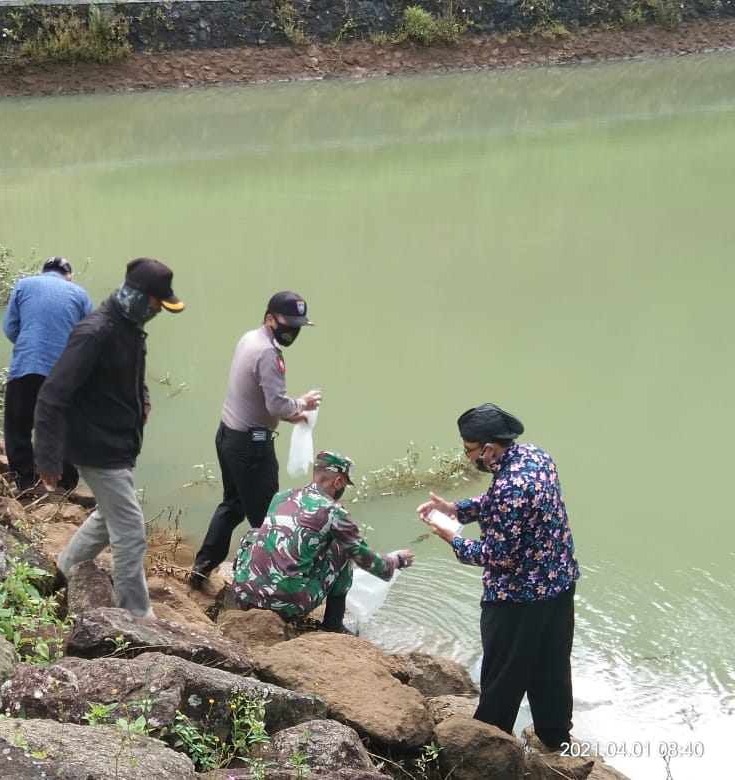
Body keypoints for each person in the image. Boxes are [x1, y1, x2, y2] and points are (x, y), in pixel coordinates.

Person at [416, 403, 580, 750]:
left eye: (470, 451)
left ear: (489, 448)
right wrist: (455, 509)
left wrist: (452, 537)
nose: (469, 457)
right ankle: (555, 740)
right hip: (559, 585)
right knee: (550, 668)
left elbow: (497, 557)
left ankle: (486, 747)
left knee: (503, 676)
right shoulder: (535, 456)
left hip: (518, 599)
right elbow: (499, 500)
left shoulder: (510, 488)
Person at [33, 258, 184, 618]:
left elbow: (132, 376)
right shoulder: (94, 333)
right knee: (131, 533)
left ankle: (65, 570)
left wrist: (143, 400)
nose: (157, 312)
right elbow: (51, 396)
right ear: (137, 296)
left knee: (109, 516)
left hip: (119, 444)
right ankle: (137, 619)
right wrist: (48, 458)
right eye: (155, 305)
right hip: (97, 448)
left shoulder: (129, 329)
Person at [189, 291, 322, 589]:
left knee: (233, 504)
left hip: (228, 436)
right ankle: (263, 584)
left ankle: (202, 567)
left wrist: (291, 412)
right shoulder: (268, 354)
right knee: (267, 520)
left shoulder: (250, 338)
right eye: (288, 325)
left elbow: (261, 399)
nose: (292, 332)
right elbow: (276, 406)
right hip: (251, 448)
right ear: (269, 319)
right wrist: (301, 406)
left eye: (298, 326)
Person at [231, 451, 415, 634]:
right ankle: (333, 625)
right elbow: (364, 558)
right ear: (338, 482)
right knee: (342, 550)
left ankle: (248, 585)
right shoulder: (334, 512)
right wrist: (396, 561)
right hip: (285, 607)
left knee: (255, 534)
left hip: (243, 596)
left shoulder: (281, 497)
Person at [2, 256, 93, 493]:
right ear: (69, 276)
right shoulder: (80, 294)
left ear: (41, 273)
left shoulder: (24, 284)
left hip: (26, 366)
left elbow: (10, 328)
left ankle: (25, 482)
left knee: (18, 426)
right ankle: (64, 486)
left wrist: (28, 345)